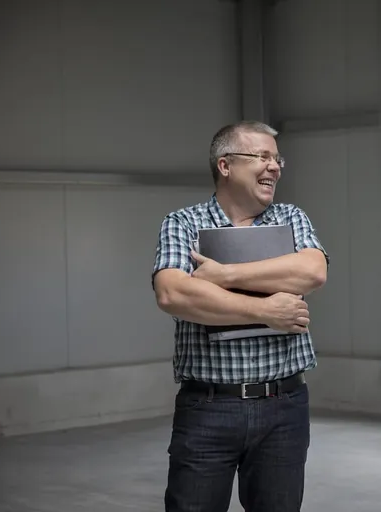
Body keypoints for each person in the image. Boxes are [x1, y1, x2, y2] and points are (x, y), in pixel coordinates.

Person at [151, 120, 329, 512]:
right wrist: (266, 310)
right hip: (208, 408)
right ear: (226, 165)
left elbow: (312, 272)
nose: (275, 166)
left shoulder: (291, 219)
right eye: (262, 156)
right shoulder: (183, 223)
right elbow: (173, 293)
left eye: (277, 159)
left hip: (284, 407)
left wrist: (224, 275)